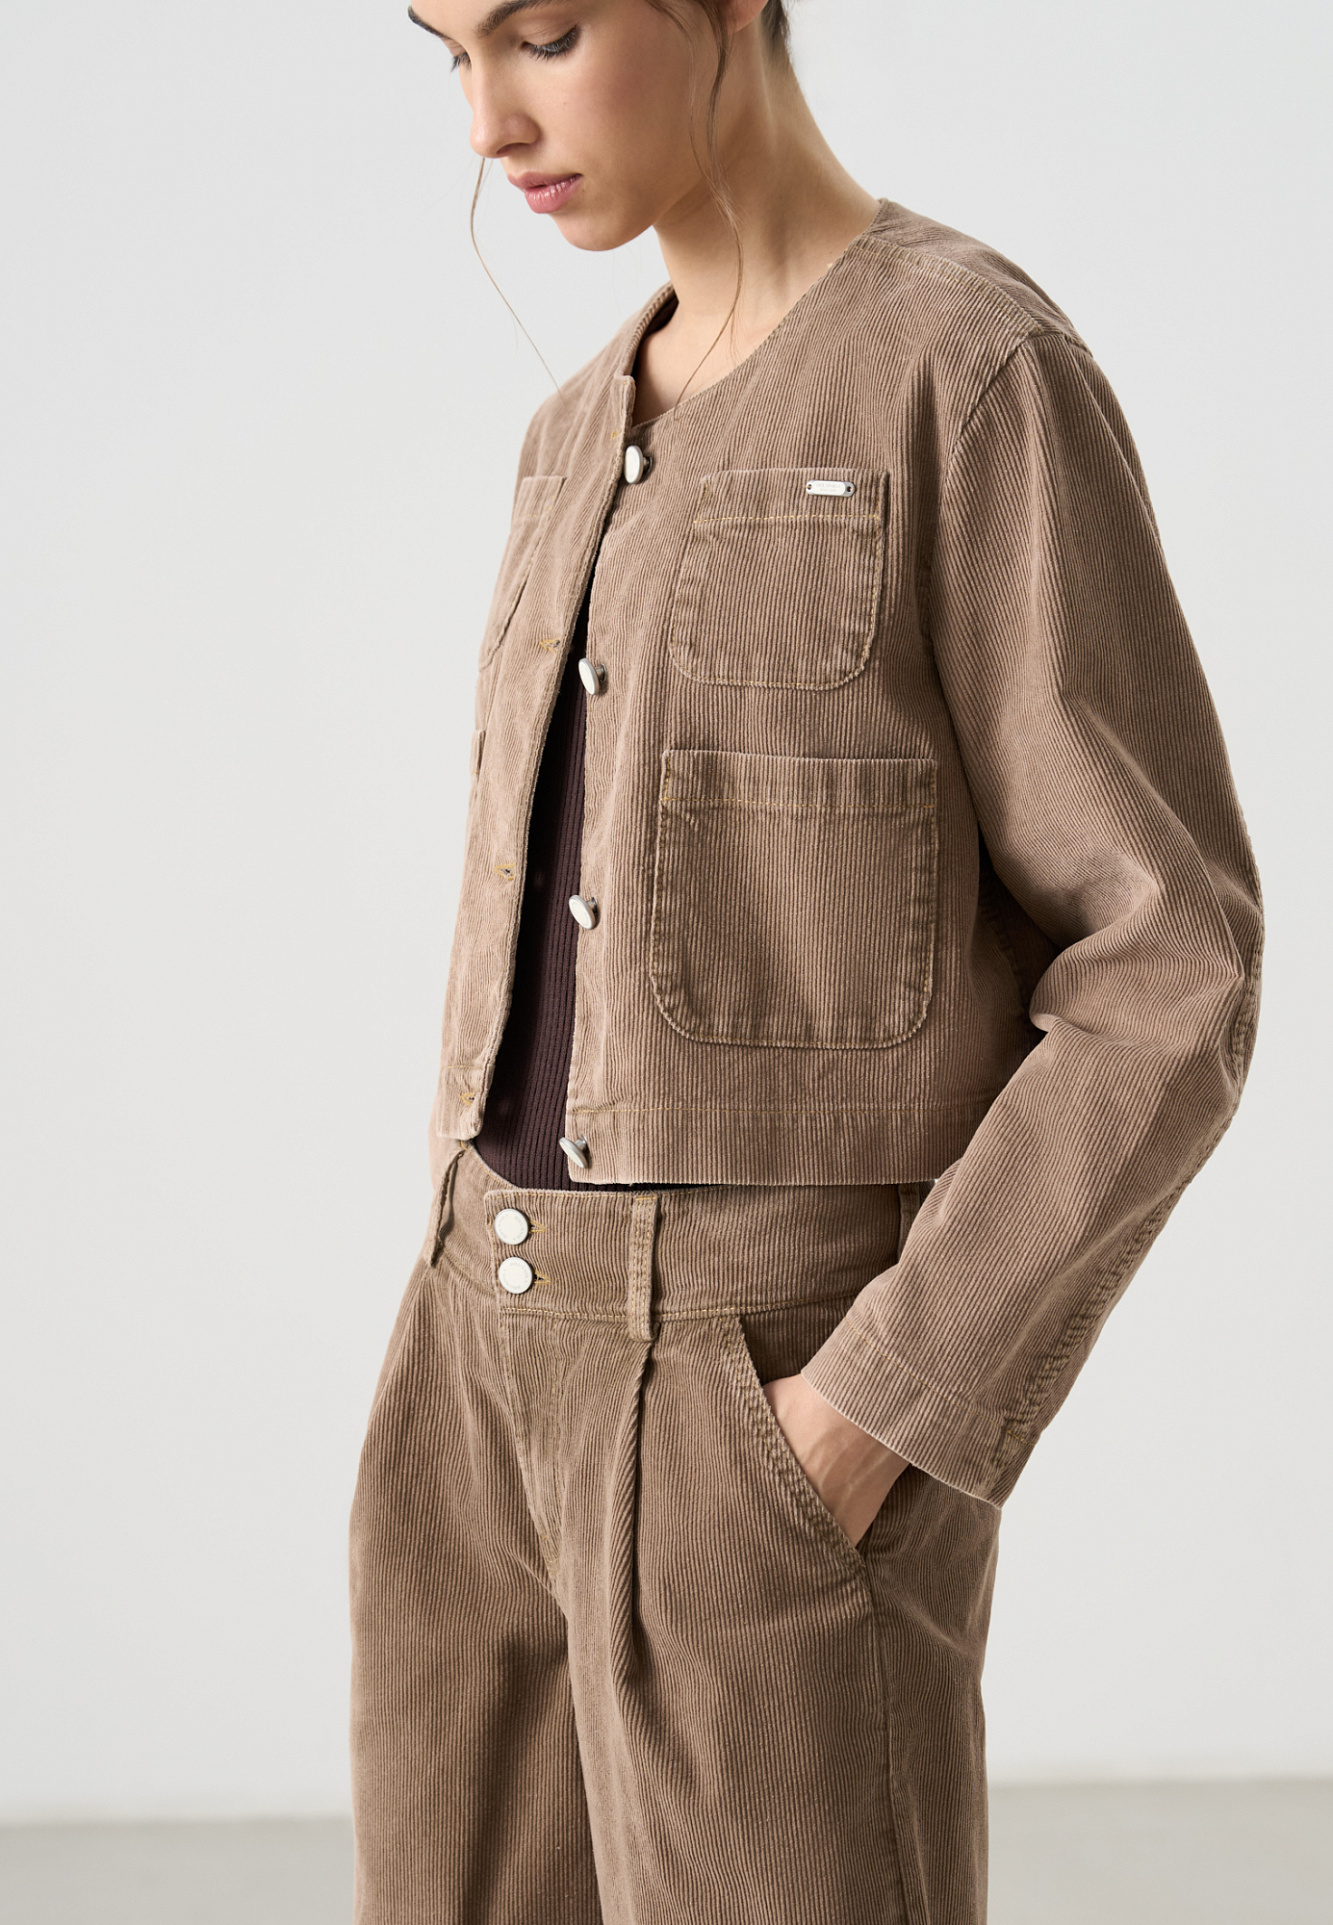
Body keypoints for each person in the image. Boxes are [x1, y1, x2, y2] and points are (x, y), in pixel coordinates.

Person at [348, 1, 1263, 1919]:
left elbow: (1165, 960)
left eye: (541, 30)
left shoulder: (965, 371)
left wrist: (872, 1411)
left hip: (754, 1392)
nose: (487, 120)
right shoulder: (568, 433)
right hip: (470, 1380)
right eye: (446, 52)